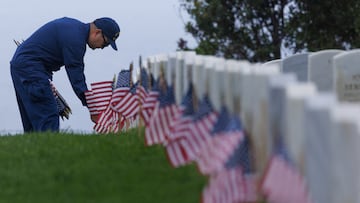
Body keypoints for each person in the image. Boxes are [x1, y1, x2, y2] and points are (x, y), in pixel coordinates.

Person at [10, 17, 120, 132]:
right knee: (48, 115)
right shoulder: (76, 40)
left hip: (22, 66)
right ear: (97, 32)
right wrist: (93, 108)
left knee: (33, 121)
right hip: (31, 68)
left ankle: (34, 149)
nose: (102, 47)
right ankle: (48, 149)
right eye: (106, 43)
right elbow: (76, 77)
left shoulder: (74, 28)